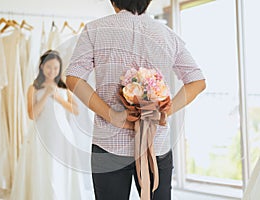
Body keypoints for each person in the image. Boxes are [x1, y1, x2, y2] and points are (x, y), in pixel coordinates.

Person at [65, 0, 206, 199]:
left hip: (109, 144)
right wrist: (165, 110)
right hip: (156, 145)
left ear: (113, 1)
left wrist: (113, 115)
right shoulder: (167, 35)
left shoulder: (95, 30)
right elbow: (197, 81)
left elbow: (73, 78)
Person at [10, 50, 85, 200]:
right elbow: (32, 115)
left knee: (60, 169)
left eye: (56, 68)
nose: (52, 71)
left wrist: (57, 97)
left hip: (62, 135)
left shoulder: (63, 87)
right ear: (42, 66)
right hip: (42, 134)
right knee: (44, 167)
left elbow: (76, 110)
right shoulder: (34, 88)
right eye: (49, 67)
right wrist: (46, 94)